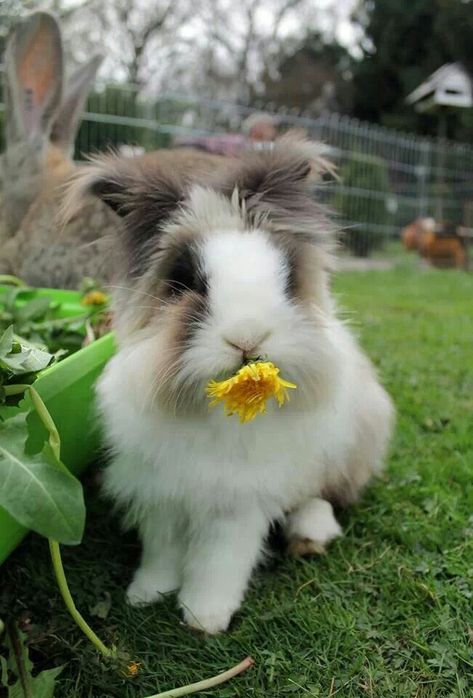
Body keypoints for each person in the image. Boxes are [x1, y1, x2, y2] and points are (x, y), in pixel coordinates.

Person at [173, 112, 278, 156]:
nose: (273, 130)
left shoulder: (266, 146)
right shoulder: (241, 142)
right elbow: (209, 142)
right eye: (269, 126)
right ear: (257, 128)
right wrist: (184, 142)